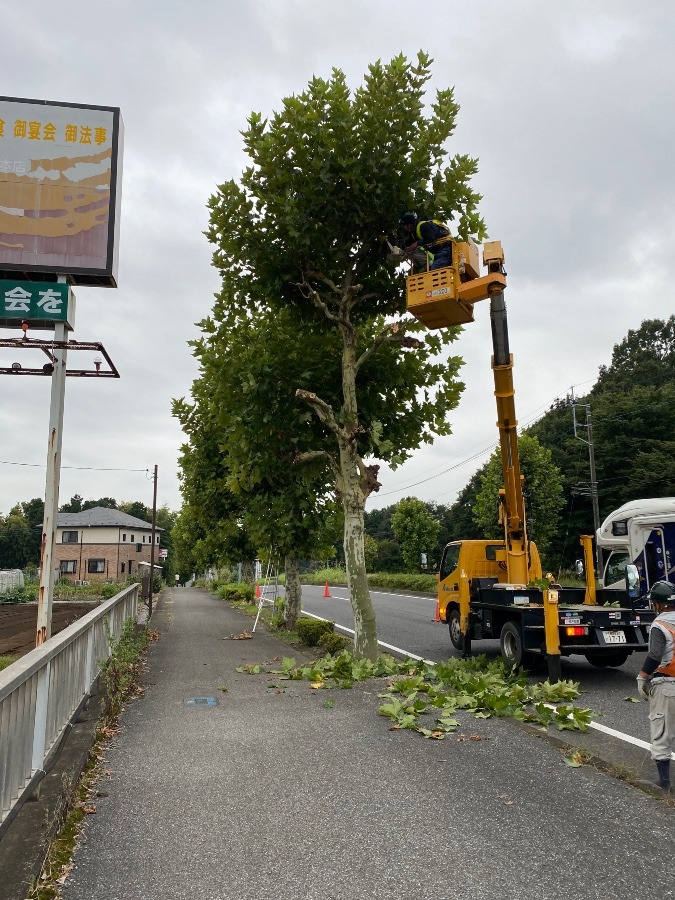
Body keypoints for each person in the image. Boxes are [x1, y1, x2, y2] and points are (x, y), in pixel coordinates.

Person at [636, 580, 675, 791]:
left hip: (668, 685)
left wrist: (642, 676)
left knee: (662, 732)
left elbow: (655, 655)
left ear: (658, 604)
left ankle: (664, 783)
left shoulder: (660, 625)